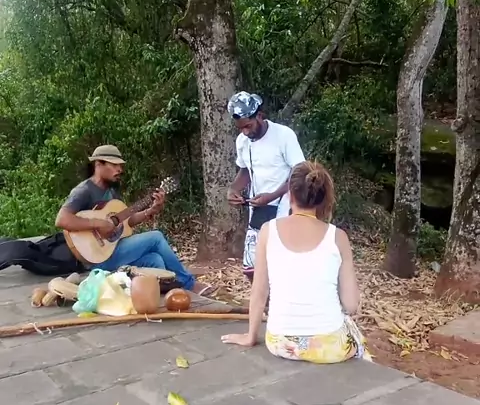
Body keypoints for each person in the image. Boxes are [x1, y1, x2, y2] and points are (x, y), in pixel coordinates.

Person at [222, 160, 369, 363]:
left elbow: (259, 291)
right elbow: (351, 305)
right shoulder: (338, 237)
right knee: (357, 339)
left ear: (290, 194)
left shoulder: (267, 230)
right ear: (322, 198)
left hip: (280, 343)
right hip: (329, 346)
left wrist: (250, 337)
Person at [55, 144, 210, 294]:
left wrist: (150, 210)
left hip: (114, 250)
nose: (120, 169)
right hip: (97, 259)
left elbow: (127, 222)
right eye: (114, 165)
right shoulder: (84, 190)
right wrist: (99, 223)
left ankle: (159, 292)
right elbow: (62, 219)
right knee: (156, 237)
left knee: (155, 260)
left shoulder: (111, 190)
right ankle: (189, 284)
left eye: (120, 166)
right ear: (98, 164)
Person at [227, 92, 304, 281]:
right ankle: (264, 298)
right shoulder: (242, 141)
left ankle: (278, 299)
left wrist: (273, 195)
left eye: (248, 126)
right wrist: (233, 189)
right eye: (240, 128)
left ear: (260, 116)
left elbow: (301, 174)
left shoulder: (283, 135)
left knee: (281, 267)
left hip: (285, 208)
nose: (245, 132)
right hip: (259, 209)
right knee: (252, 268)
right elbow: (245, 170)